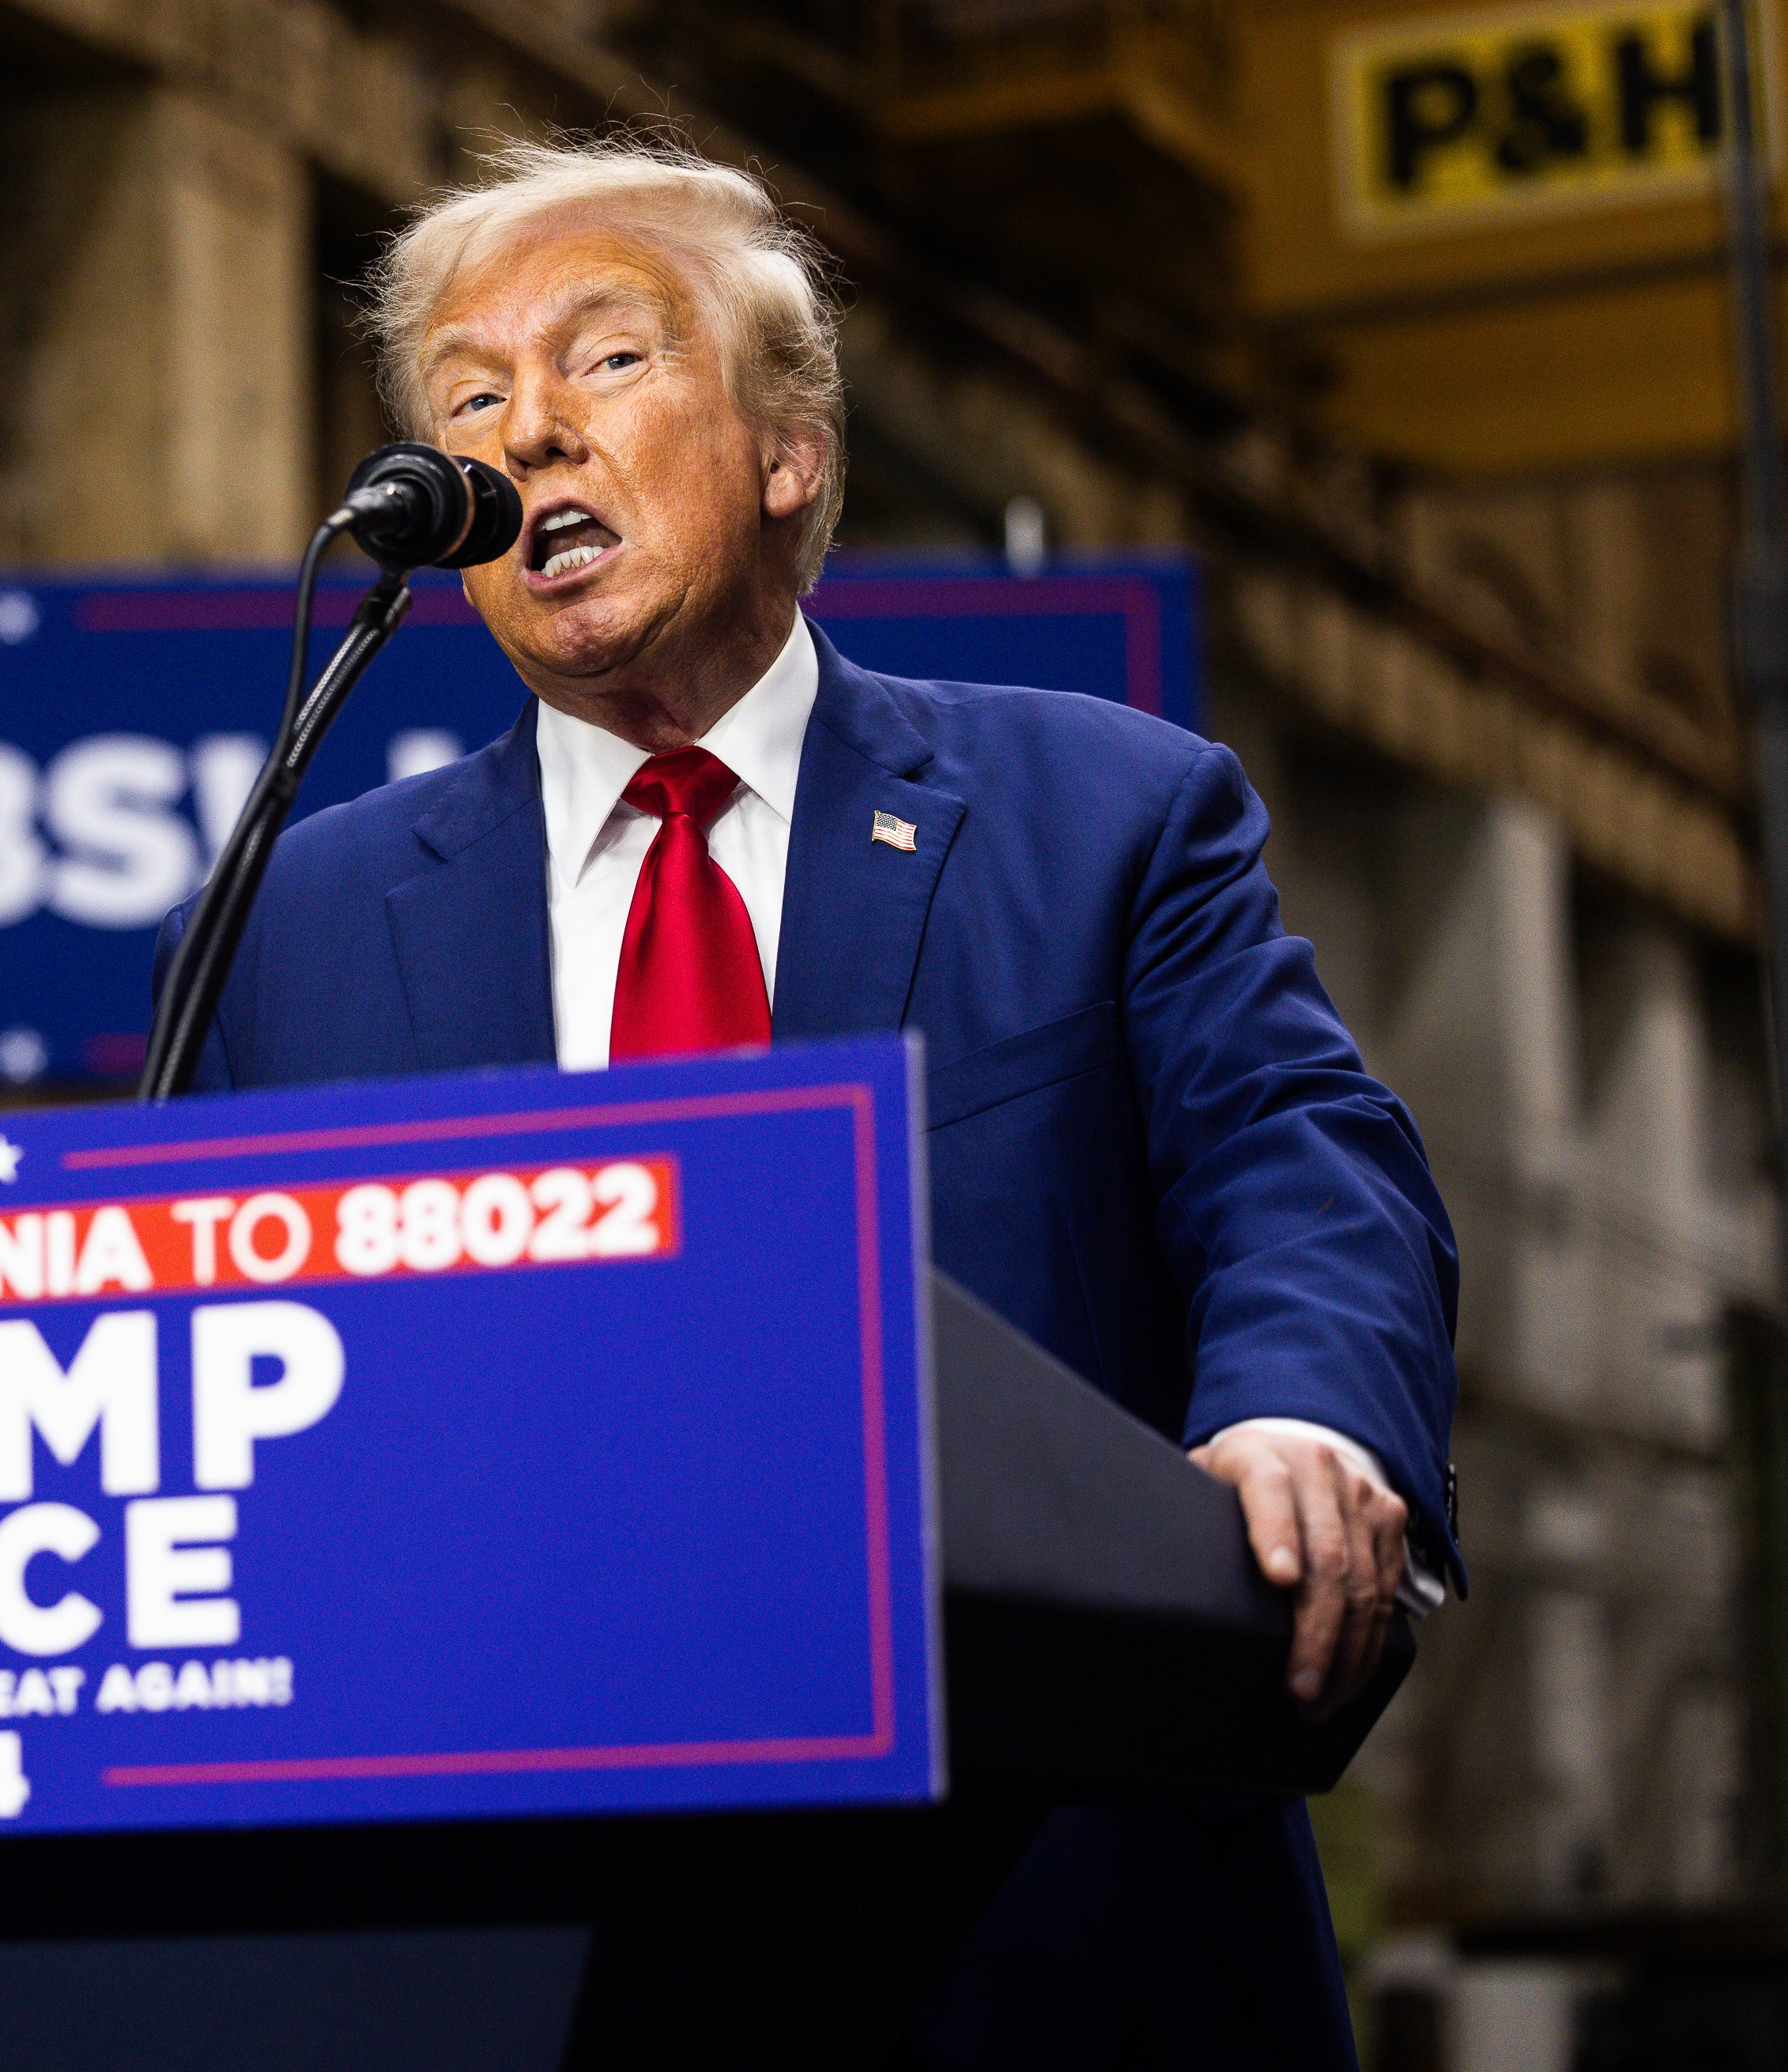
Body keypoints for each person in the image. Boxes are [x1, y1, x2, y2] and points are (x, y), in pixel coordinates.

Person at [160, 135, 1458, 2069]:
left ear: (787, 450)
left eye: (603, 363)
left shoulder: (1105, 814)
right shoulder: (295, 916)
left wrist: (1296, 1418)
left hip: (1042, 1937)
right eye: (471, 399)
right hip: (520, 1955)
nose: (529, 435)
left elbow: (1298, 1158)